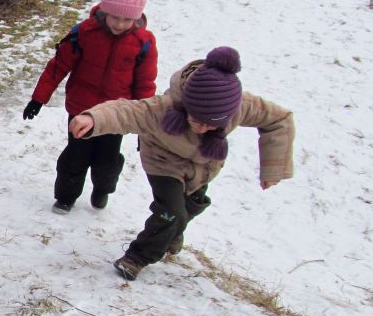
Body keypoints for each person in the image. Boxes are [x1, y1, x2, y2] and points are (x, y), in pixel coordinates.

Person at [68, 47, 294, 282]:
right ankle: (136, 258)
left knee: (190, 206)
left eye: (211, 125)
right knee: (171, 212)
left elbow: (280, 119)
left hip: (204, 165)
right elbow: (126, 111)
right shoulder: (164, 109)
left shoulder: (240, 105)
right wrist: (92, 118)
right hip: (163, 161)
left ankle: (172, 232)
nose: (202, 128)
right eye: (196, 120)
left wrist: (273, 168)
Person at [23, 0, 158, 214]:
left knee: (106, 161)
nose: (119, 23)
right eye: (115, 16)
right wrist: (38, 98)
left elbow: (145, 85)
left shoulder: (144, 43)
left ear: (137, 17)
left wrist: (144, 124)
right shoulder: (85, 32)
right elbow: (58, 65)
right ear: (105, 10)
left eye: (127, 19)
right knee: (76, 155)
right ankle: (66, 196)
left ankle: (103, 189)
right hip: (80, 107)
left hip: (118, 114)